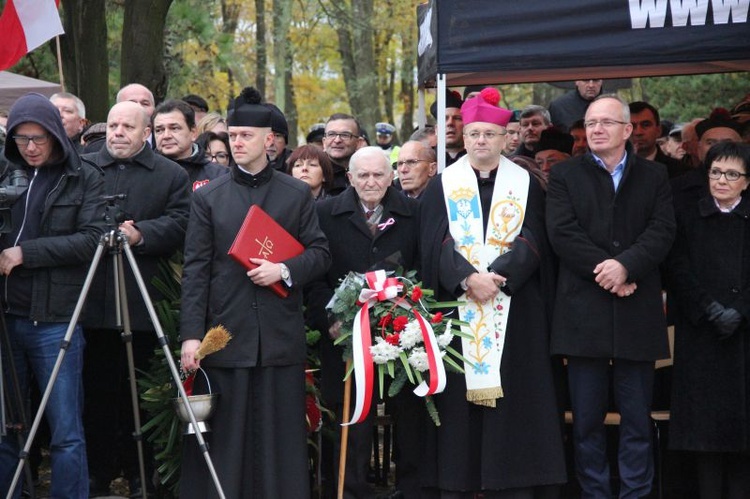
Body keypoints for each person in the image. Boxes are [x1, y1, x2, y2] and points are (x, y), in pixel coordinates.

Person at [179, 86, 330, 498]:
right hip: (225, 334)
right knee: (226, 439)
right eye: (233, 135)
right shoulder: (208, 197)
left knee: (280, 438)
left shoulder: (295, 193)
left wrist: (283, 269)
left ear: (270, 140)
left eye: (247, 135)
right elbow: (195, 269)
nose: (238, 142)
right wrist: (192, 335)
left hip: (280, 337)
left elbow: (320, 254)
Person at [419, 87, 566, 498]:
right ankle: (460, 483)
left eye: (489, 134)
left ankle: (514, 482)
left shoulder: (528, 183)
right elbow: (433, 241)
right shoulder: (442, 184)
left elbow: (538, 237)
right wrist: (468, 278)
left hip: (516, 309)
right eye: (474, 134)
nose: (481, 141)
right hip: (457, 311)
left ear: (506, 138)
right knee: (459, 411)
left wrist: (499, 274)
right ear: (462, 138)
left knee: (516, 404)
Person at [546, 94, 676, 498]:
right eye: (590, 123)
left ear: (627, 130)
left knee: (637, 421)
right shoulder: (566, 175)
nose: (597, 129)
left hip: (636, 314)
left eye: (606, 122)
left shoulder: (654, 177)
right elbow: (562, 233)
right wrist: (609, 270)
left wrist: (627, 267)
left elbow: (661, 231)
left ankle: (636, 492)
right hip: (583, 316)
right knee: (586, 423)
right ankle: (595, 493)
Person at [81, 100, 191, 497]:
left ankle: (143, 473)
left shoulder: (170, 174)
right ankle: (97, 472)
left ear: (147, 133)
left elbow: (181, 222)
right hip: (92, 302)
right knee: (96, 395)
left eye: (128, 126)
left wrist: (141, 233)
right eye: (112, 125)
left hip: (144, 302)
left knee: (141, 397)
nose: (117, 133)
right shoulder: (85, 165)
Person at [0, 93, 106, 498]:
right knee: (7, 426)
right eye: (21, 139)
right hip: (7, 317)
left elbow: (92, 239)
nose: (30, 147)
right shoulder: (8, 174)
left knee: (65, 431)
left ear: (57, 136)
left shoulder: (84, 176)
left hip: (55, 318)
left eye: (38, 138)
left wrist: (27, 253)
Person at [313, 146, 421, 499]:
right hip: (345, 334)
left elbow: (425, 269)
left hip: (402, 333)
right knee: (351, 420)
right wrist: (331, 320)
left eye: (378, 174)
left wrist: (413, 317)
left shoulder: (414, 212)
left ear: (392, 176)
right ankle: (350, 490)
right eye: (363, 175)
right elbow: (314, 275)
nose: (371, 182)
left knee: (408, 417)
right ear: (350, 178)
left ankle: (409, 488)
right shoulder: (324, 213)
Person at [665, 141, 750, 499]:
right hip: (701, 333)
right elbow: (676, 267)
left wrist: (740, 309)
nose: (722, 180)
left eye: (732, 174)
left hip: (745, 335)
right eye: (715, 172)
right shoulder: (687, 213)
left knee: (743, 431)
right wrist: (710, 309)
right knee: (705, 433)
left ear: (746, 181)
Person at [153, 99, 227, 190]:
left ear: (193, 132)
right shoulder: (143, 173)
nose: (166, 136)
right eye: (159, 130)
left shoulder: (220, 176)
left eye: (174, 128)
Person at [629, 101, 689, 178]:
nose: (638, 132)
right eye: (631, 126)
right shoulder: (612, 172)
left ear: (658, 130)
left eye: (646, 125)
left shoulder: (682, 173)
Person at [323, 113, 363, 195]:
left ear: (358, 143)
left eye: (345, 135)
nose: (337, 140)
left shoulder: (369, 173)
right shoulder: (315, 175)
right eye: (331, 134)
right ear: (324, 142)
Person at [430, 88, 466, 166]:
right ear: (436, 129)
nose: (450, 123)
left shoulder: (477, 160)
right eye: (444, 118)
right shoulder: (427, 160)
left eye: (457, 118)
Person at [265, 103, 292, 171]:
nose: (271, 143)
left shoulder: (295, 168)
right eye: (267, 136)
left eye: (277, 136)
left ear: (285, 142)